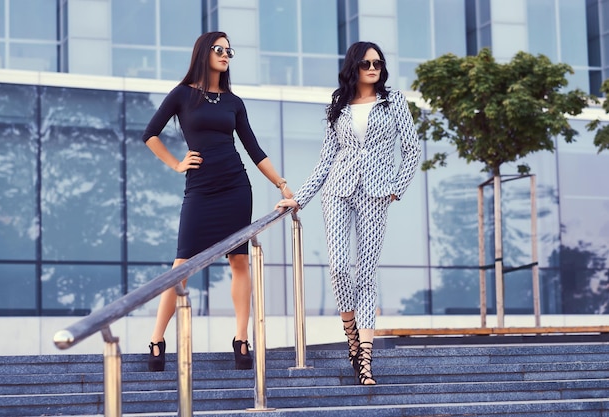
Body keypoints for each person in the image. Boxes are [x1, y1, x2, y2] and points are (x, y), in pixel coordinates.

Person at [142, 31, 293, 372]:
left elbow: (254, 149)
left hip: (236, 186)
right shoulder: (182, 95)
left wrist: (282, 184)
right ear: (203, 53)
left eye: (229, 51)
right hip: (201, 188)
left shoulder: (234, 102)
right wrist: (177, 163)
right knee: (182, 265)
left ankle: (241, 338)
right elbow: (150, 134)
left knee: (239, 261)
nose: (226, 55)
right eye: (219, 49)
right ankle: (156, 339)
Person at [275, 41, 421, 385]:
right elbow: (327, 158)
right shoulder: (337, 104)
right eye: (367, 63)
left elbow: (411, 150)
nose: (374, 68)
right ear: (353, 66)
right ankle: (351, 339)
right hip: (337, 190)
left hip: (376, 192)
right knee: (340, 268)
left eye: (378, 63)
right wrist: (300, 198)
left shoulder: (394, 100)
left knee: (366, 273)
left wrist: (395, 188)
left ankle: (366, 358)